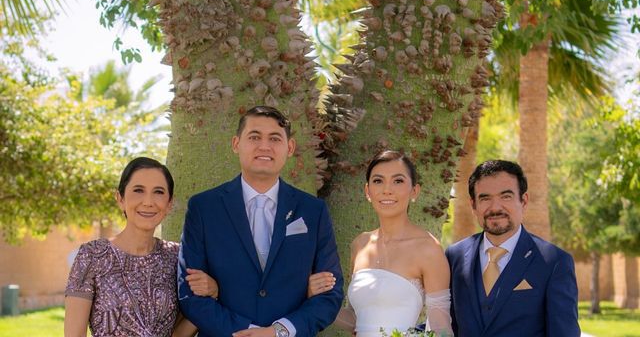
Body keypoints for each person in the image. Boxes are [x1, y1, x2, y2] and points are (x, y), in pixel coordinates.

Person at [177, 105, 344, 337]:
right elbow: (189, 294)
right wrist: (246, 332)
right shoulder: (203, 208)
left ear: (290, 147)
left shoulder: (313, 210)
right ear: (236, 144)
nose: (264, 146)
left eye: (275, 138)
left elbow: (330, 293)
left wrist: (279, 332)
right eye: (254, 137)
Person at [64, 157, 217, 337]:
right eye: (138, 190)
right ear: (120, 198)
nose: (148, 202)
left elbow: (178, 333)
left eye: (158, 192)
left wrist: (212, 293)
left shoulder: (177, 257)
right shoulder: (92, 255)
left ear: (169, 204)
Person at [312, 149, 453, 336]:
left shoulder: (428, 248)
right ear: (367, 191)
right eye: (378, 181)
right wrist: (316, 297)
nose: (387, 190)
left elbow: (441, 326)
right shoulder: (360, 245)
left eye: (398, 181)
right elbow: (357, 321)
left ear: (414, 191)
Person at [446, 159, 581, 337]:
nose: (495, 207)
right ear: (473, 205)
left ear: (524, 201)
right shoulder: (453, 256)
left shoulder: (554, 262)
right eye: (485, 198)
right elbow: (444, 323)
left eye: (506, 196)